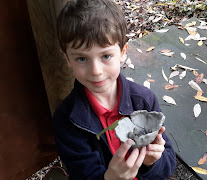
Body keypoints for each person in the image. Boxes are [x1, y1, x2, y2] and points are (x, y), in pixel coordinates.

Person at [52, 0, 176, 179]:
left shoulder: (143, 100)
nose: (96, 71)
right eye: (81, 59)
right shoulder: (67, 120)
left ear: (123, 52)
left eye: (106, 56)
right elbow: (83, 174)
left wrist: (151, 163)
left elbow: (168, 163)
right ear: (67, 59)